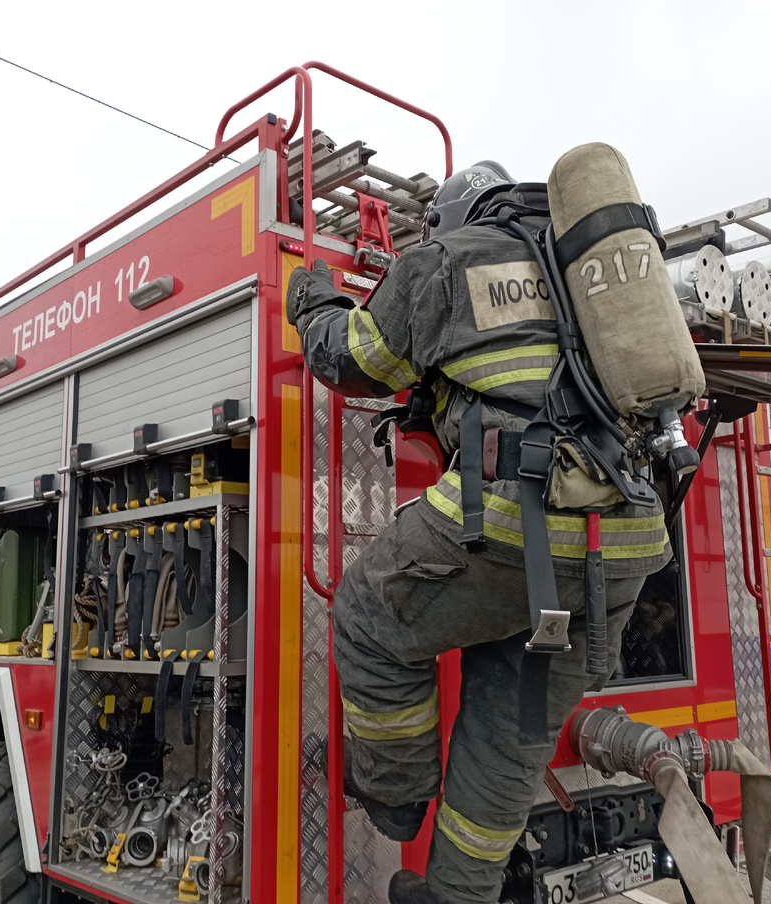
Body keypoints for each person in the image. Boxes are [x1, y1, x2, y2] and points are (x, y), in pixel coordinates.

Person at [286, 163, 671, 904]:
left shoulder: (445, 261)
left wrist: (315, 306)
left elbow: (356, 362)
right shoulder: (585, 278)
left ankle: (396, 794)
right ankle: (458, 896)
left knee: (367, 613)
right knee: (507, 740)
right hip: (621, 547)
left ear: (449, 219)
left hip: (515, 519)